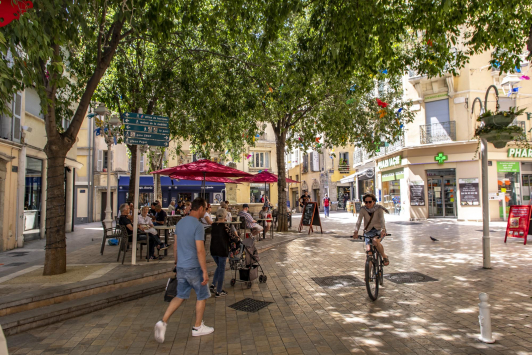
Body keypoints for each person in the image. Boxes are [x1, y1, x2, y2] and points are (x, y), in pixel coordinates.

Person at [154, 198, 213, 343]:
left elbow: (175, 245)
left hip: (181, 266)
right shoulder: (198, 226)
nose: (205, 212)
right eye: (205, 209)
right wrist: (204, 270)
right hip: (194, 267)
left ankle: (163, 321)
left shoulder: (180, 223)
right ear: (200, 208)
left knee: (180, 295)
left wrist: (176, 262)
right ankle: (198, 327)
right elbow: (200, 250)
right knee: (202, 295)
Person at [209, 208, 241, 297]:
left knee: (219, 267)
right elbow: (232, 237)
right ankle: (219, 291)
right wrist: (238, 239)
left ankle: (213, 284)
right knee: (221, 269)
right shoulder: (225, 226)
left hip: (213, 250)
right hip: (222, 250)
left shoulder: (213, 225)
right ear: (225, 216)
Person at [353, 193, 390, 266]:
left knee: (375, 241)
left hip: (378, 230)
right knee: (369, 251)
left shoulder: (379, 209)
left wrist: (383, 230)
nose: (368, 204)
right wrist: (356, 231)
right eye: (366, 202)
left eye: (370, 202)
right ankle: (368, 275)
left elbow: (382, 220)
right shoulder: (363, 209)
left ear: (374, 201)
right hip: (368, 231)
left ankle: (384, 256)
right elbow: (359, 221)